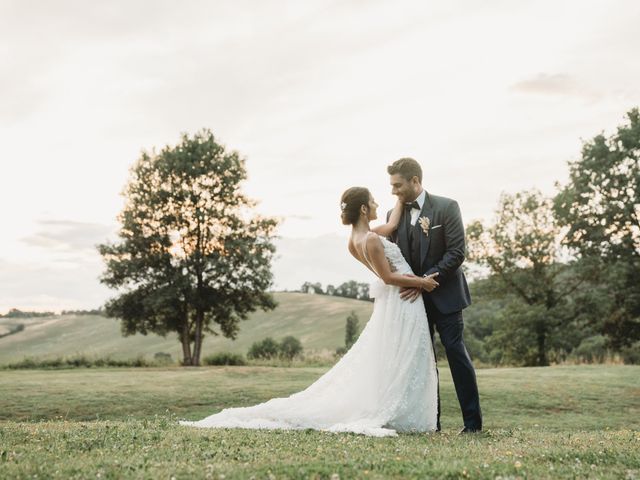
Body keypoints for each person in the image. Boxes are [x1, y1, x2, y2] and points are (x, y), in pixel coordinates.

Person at [178, 187, 440, 437]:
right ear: (363, 208)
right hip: (403, 297)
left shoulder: (355, 241)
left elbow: (393, 225)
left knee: (400, 353)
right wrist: (422, 282)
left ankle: (401, 408)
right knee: (405, 352)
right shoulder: (370, 239)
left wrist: (399, 196)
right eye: (373, 201)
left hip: (395, 301)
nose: (377, 204)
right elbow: (387, 277)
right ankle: (396, 410)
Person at [386, 157, 482, 433]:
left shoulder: (446, 207)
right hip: (412, 301)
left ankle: (472, 425)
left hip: (447, 296)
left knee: (456, 355)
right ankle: (431, 423)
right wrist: (412, 284)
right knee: (423, 362)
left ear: (415, 181)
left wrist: (426, 280)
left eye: (398, 185)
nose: (394, 191)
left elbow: (456, 253)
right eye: (392, 185)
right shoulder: (392, 217)